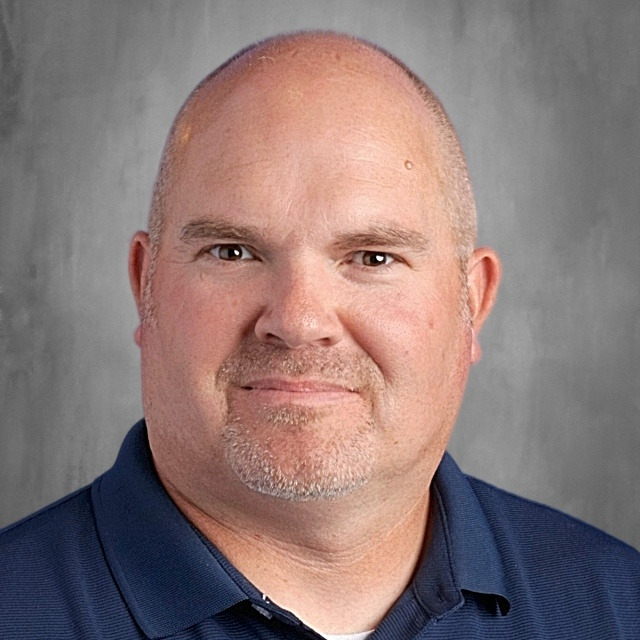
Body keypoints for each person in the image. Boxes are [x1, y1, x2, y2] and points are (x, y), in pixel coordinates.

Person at [0, 31, 638, 640]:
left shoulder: (619, 606)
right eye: (232, 252)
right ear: (147, 284)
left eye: (373, 258)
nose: (298, 321)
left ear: (472, 302)